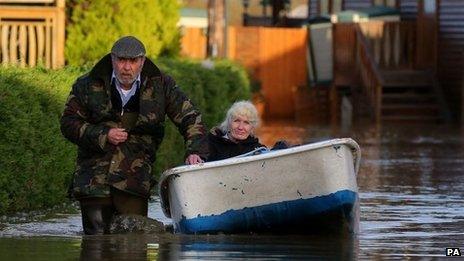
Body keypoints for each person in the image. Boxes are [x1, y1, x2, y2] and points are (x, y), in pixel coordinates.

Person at [60, 36, 207, 235]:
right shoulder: (86, 84)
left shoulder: (162, 85)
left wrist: (194, 151)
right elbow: (68, 123)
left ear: (142, 61)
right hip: (93, 179)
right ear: (112, 59)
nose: (126, 67)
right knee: (94, 243)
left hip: (134, 179)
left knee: (133, 243)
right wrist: (103, 135)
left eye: (133, 61)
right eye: (121, 60)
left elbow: (190, 117)